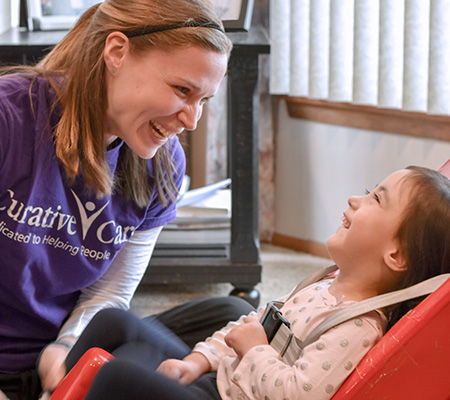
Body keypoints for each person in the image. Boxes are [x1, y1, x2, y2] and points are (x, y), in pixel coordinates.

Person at [49, 166, 450, 399]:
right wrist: (196, 361)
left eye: (376, 199)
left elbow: (297, 395)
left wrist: (256, 350)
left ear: (396, 256)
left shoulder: (356, 327)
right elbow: (245, 327)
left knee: (117, 377)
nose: (355, 201)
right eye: (367, 192)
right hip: (218, 378)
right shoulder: (322, 286)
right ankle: (50, 390)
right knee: (114, 324)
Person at [0, 0, 232, 399]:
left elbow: (109, 293)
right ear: (117, 52)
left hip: (58, 359)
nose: (192, 120)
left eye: (204, 100)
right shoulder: (9, 118)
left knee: (231, 317)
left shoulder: (163, 164)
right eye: (182, 90)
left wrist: (64, 348)